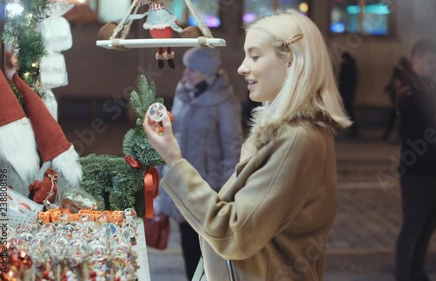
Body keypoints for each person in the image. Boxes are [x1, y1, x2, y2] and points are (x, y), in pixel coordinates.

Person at [144, 10, 351, 281]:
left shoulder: (296, 139)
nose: (242, 67)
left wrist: (174, 160)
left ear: (291, 62)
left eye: (254, 56)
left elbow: (233, 233)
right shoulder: (291, 133)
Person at [157, 47, 243, 280]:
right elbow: (174, 135)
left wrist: (228, 191)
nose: (186, 73)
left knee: (209, 252)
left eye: (192, 69)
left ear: (207, 71)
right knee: (188, 244)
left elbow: (232, 147)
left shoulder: (225, 101)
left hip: (209, 189)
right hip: (182, 182)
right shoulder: (183, 92)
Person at [394, 39, 436, 281]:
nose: (435, 67)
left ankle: (417, 271)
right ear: (416, 62)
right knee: (412, 230)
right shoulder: (411, 93)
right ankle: (403, 275)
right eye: (431, 62)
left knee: (428, 230)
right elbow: (411, 129)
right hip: (419, 174)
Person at [382, 56, 411, 141]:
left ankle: (394, 135)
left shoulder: (402, 73)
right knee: (395, 117)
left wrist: (389, 88)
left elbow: (394, 83)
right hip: (399, 99)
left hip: (400, 99)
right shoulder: (405, 73)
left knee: (396, 118)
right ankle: (392, 135)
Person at [338, 51, 359, 138]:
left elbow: (344, 81)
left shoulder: (347, 67)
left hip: (346, 93)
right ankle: (353, 129)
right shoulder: (351, 66)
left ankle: (354, 129)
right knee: (349, 111)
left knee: (349, 111)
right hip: (349, 93)